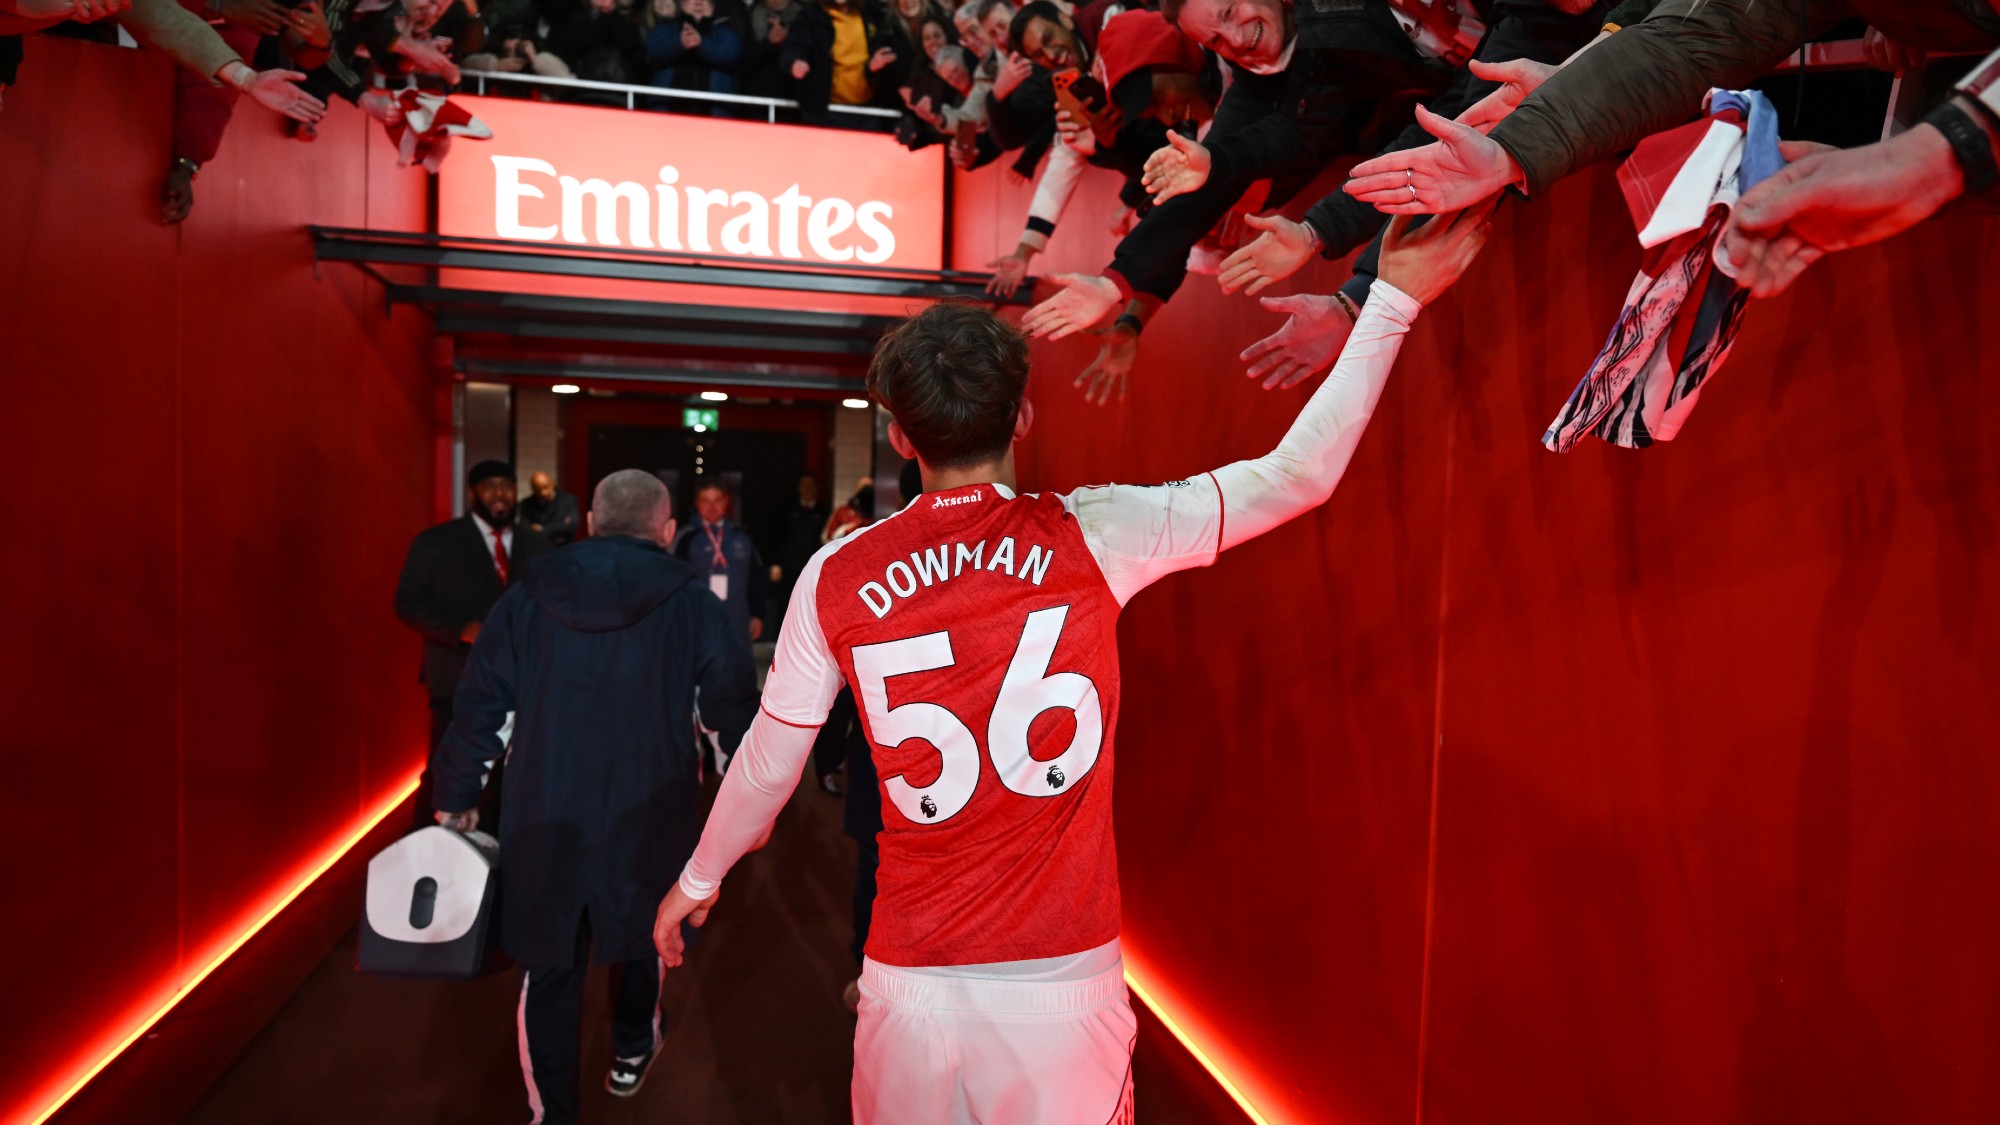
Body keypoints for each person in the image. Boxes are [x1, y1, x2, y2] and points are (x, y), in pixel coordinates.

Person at [652, 204, 1496, 1123]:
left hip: (910, 982)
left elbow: (768, 765)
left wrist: (697, 879)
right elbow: (1299, 474)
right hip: (1061, 985)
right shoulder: (1095, 531)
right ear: (1022, 417)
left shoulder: (836, 573)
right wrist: (1390, 302)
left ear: (900, 437)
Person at [432, 470, 758, 1125]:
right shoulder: (695, 605)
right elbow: (729, 716)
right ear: (667, 531)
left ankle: (550, 1111)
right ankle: (633, 1049)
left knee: (547, 962)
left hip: (545, 812)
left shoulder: (525, 598)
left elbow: (483, 708)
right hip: (652, 811)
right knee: (647, 936)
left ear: (589, 523)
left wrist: (457, 795)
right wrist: (746, 812)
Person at [1022, 0, 1451, 403]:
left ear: (1173, 59)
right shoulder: (1261, 72)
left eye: (1230, 11)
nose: (1236, 39)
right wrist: (1117, 284)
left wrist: (1316, 240)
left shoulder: (1306, 38)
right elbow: (1246, 162)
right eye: (1216, 40)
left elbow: (1305, 135)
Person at [392, 460, 554, 828]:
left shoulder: (539, 545)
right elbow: (408, 603)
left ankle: (499, 851)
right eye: (490, 487)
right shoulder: (436, 542)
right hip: (456, 677)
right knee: (448, 769)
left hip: (525, 682)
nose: (500, 495)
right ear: (473, 493)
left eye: (506, 486)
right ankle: (429, 848)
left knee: (515, 777)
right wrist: (461, 628)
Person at [671, 482, 768, 642]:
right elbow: (673, 580)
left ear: (726, 501)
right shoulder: (685, 537)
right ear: (697, 502)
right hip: (697, 622)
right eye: (705, 501)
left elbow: (755, 578)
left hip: (737, 621)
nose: (712, 507)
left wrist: (757, 614)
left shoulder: (742, 536)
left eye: (717, 500)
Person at [519, 471, 582, 546]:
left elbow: (572, 526)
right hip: (538, 547)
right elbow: (525, 528)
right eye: (538, 490)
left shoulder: (568, 501)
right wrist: (560, 525)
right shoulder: (527, 504)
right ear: (533, 490)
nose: (543, 493)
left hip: (563, 547)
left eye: (545, 487)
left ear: (552, 484)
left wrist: (542, 529)